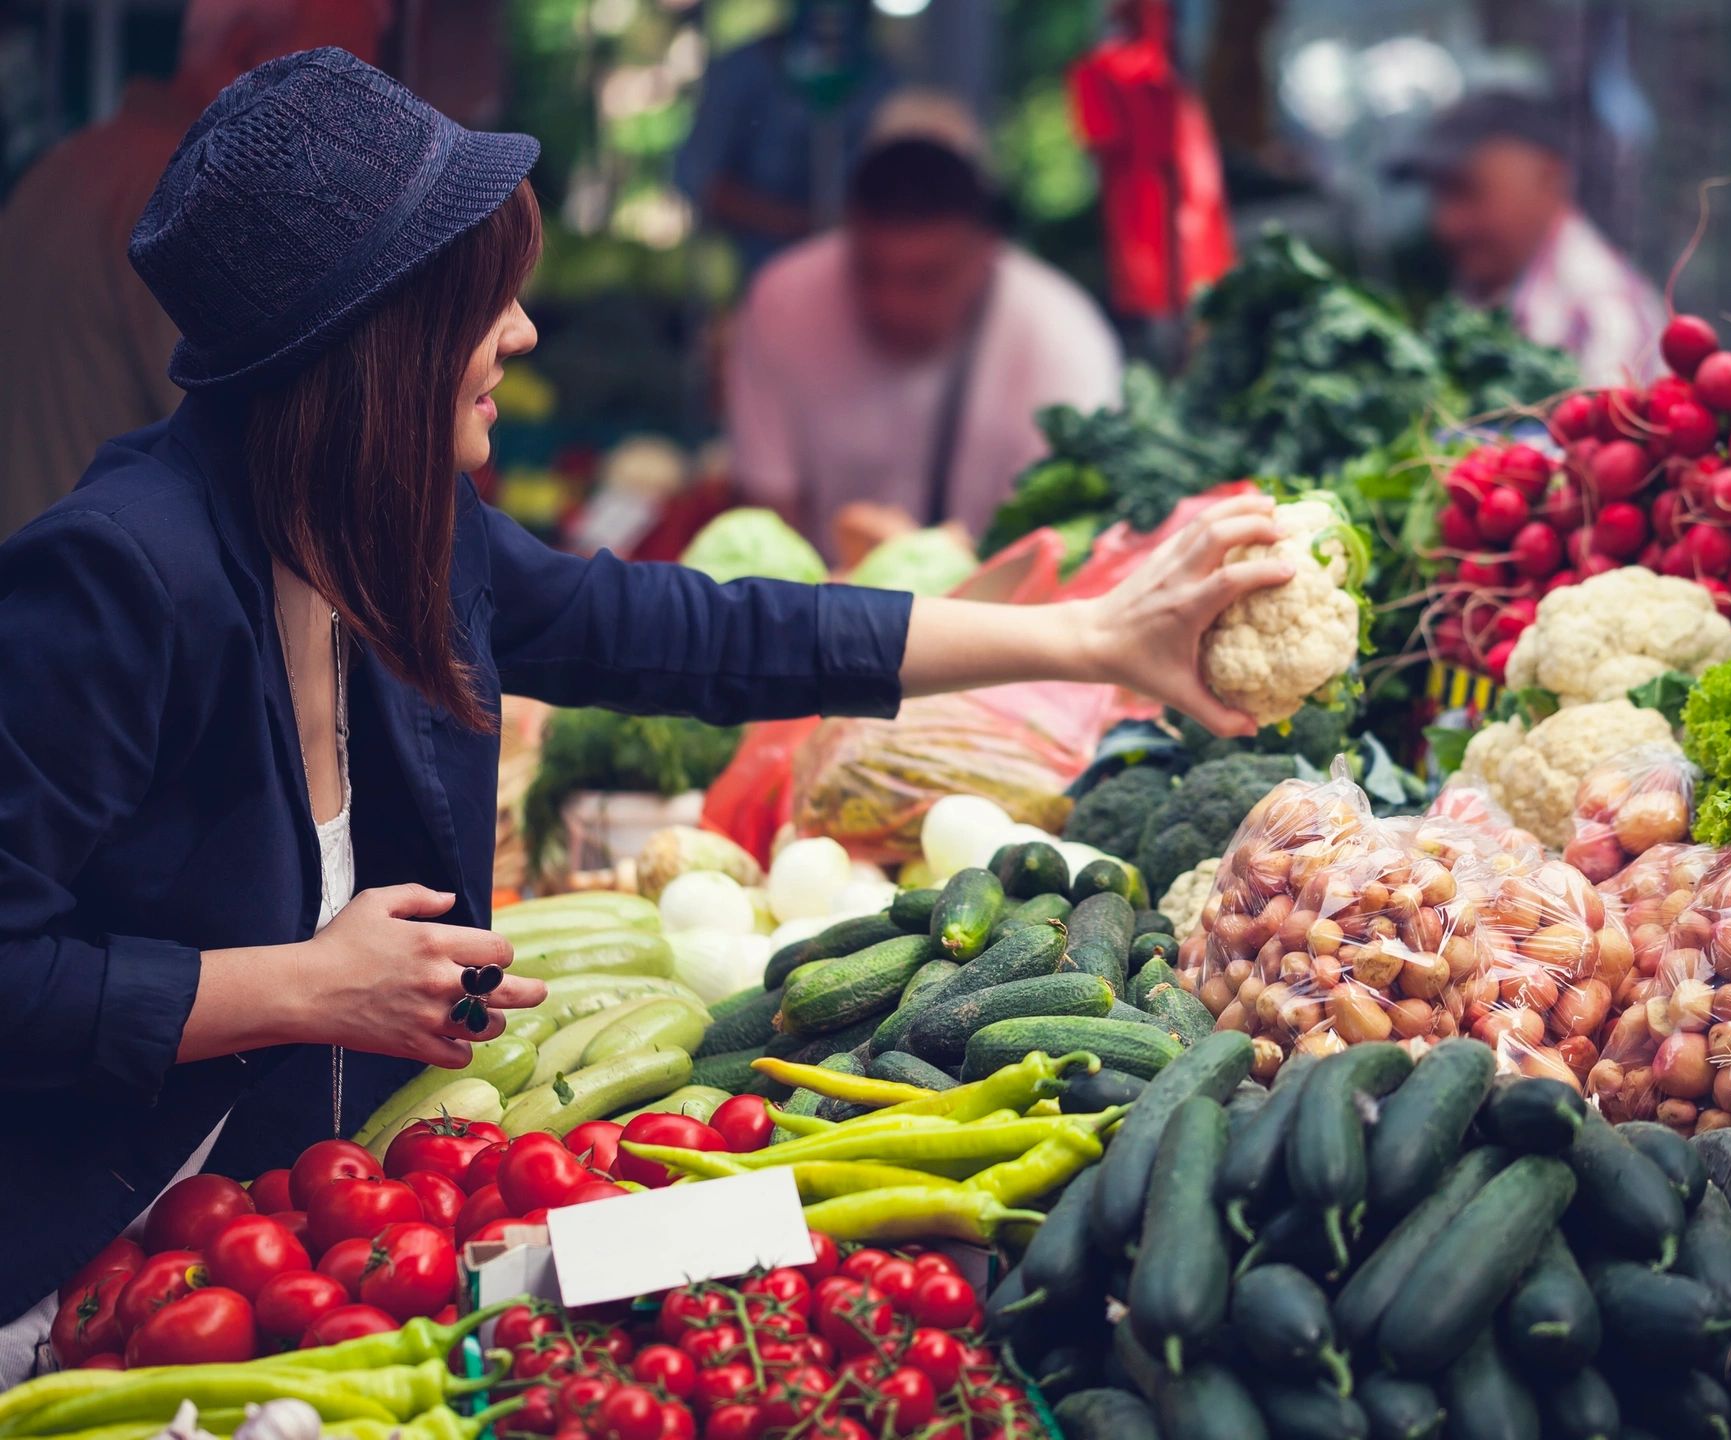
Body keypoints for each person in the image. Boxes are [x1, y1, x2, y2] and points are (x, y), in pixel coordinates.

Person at [0, 48, 1292, 1375]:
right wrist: (298, 990)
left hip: (287, 1260)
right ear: (376, 344)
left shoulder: (400, 534)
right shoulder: (114, 581)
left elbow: (715, 636)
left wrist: (1095, 636)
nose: (523, 333)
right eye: (483, 302)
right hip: (78, 1285)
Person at [0, 0, 386, 541]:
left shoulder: (63, 167)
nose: (371, 117)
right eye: (351, 73)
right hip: (118, 599)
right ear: (244, 50)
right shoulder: (199, 201)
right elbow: (264, 467)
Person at [726, 96, 1123, 555]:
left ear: (987, 253)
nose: (893, 303)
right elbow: (768, 525)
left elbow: (1068, 552)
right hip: (818, 615)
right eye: (870, 272)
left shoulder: (1063, 338)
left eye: (927, 279)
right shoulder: (783, 302)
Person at [1389, 91, 1665, 387]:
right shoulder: (1484, 293)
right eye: (1437, 196)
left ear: (1550, 177)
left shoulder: (1605, 320)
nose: (1445, 224)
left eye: (1466, 190)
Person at [674, 0, 896, 277]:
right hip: (762, 273)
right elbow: (699, 179)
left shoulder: (886, 81)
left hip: (859, 280)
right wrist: (802, 225)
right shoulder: (743, 72)